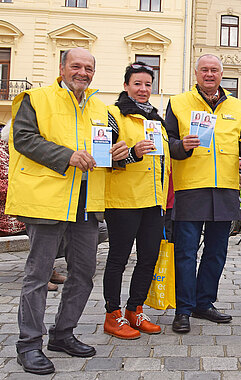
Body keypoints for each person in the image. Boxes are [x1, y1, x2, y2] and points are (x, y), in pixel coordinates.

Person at [7, 47, 111, 375]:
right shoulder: (34, 98)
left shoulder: (100, 106)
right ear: (62, 67)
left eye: (89, 68)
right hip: (47, 200)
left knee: (83, 273)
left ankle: (63, 334)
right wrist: (67, 155)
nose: (83, 72)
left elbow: (102, 150)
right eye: (76, 66)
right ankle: (28, 345)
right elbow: (23, 138)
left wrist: (117, 153)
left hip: (86, 202)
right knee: (38, 276)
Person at [165, 54, 241, 333]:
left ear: (222, 74)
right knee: (185, 253)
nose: (209, 74)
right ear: (196, 74)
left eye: (214, 70)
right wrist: (181, 145)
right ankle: (182, 310)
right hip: (190, 188)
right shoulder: (178, 103)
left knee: (216, 252)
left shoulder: (238, 106)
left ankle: (203, 302)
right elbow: (168, 141)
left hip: (225, 189)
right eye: (204, 70)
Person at [101, 62, 171, 339]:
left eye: (147, 84)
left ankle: (135, 310)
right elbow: (103, 157)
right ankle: (112, 314)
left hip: (154, 200)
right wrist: (132, 152)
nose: (143, 90)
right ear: (126, 85)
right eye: (137, 84)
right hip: (123, 200)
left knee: (148, 258)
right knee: (118, 258)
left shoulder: (155, 118)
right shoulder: (113, 115)